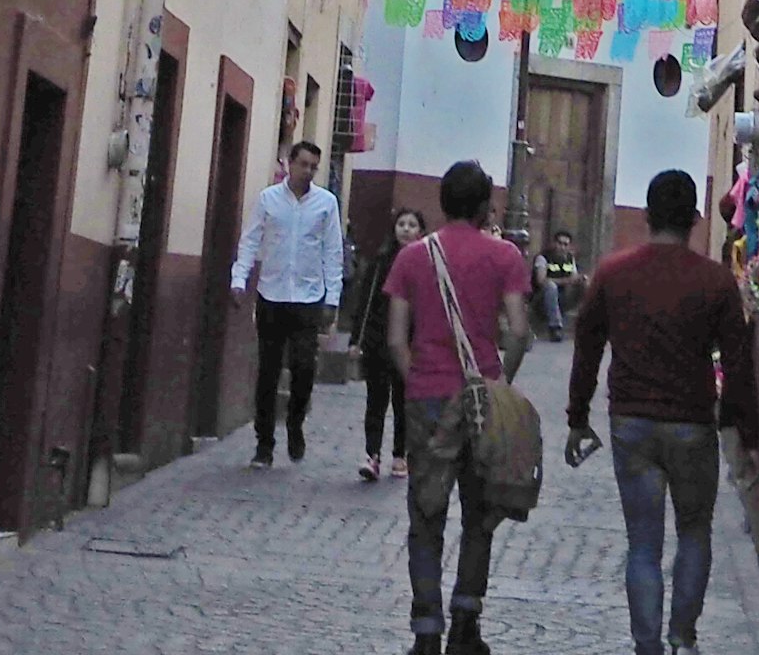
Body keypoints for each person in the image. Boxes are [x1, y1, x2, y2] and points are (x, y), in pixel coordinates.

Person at [563, 169, 758, 655]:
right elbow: (738, 363)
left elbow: (587, 346)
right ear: (695, 219)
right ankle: (683, 639)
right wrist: (745, 433)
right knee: (695, 531)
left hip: (632, 423)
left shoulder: (614, 272)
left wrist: (577, 415)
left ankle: (646, 644)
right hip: (692, 423)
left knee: (643, 545)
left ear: (647, 215)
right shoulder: (715, 281)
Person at [384, 159, 534, 655]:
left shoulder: (411, 257)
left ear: (442, 203)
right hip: (481, 400)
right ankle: (466, 622)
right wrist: (498, 383)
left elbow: (394, 340)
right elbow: (518, 332)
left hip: (428, 398)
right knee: (480, 513)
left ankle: (426, 630)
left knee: (426, 517)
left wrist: (419, 382)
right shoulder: (506, 256)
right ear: (484, 204)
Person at [227, 136, 346, 465]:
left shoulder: (326, 203)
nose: (308, 171)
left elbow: (332, 252)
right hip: (272, 294)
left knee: (304, 366)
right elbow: (250, 241)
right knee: (267, 370)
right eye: (303, 164)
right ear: (289, 164)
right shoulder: (268, 200)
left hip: (308, 296)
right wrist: (239, 279)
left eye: (313, 167)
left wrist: (332, 298)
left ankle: (295, 422)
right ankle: (264, 443)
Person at [354, 207, 428, 481]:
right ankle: (371, 455)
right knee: (375, 400)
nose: (406, 229)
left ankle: (400, 454)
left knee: (403, 402)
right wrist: (356, 339)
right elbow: (366, 301)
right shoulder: (380, 262)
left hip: (411, 344)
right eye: (401, 224)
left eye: (412, 224)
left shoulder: (426, 264)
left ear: (421, 230)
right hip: (377, 341)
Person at [538, 225, 584, 340]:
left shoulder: (569, 258)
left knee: (585, 284)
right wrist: (566, 281)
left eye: (565, 244)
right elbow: (541, 280)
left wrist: (580, 279)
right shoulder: (543, 257)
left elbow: (574, 276)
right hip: (542, 298)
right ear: (554, 244)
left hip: (563, 296)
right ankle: (555, 327)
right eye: (560, 243)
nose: (562, 247)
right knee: (551, 286)